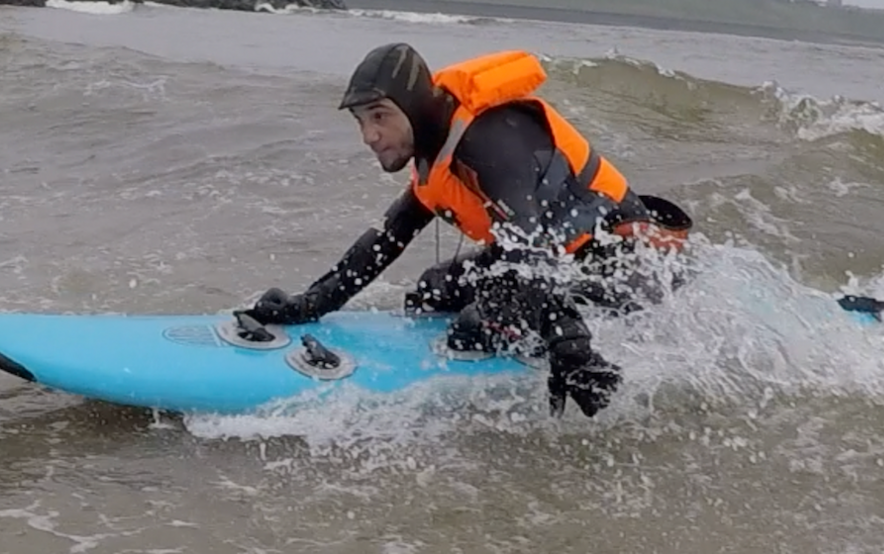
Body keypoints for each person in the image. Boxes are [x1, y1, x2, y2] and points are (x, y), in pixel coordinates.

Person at [243, 43, 694, 417]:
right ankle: (507, 341)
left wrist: (570, 343)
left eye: (379, 116)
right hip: (564, 261)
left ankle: (530, 348)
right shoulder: (435, 153)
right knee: (432, 291)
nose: (369, 136)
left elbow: (529, 253)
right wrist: (310, 305)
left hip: (630, 267)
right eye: (360, 121)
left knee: (479, 321)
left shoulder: (491, 142)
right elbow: (382, 244)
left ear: (414, 106)